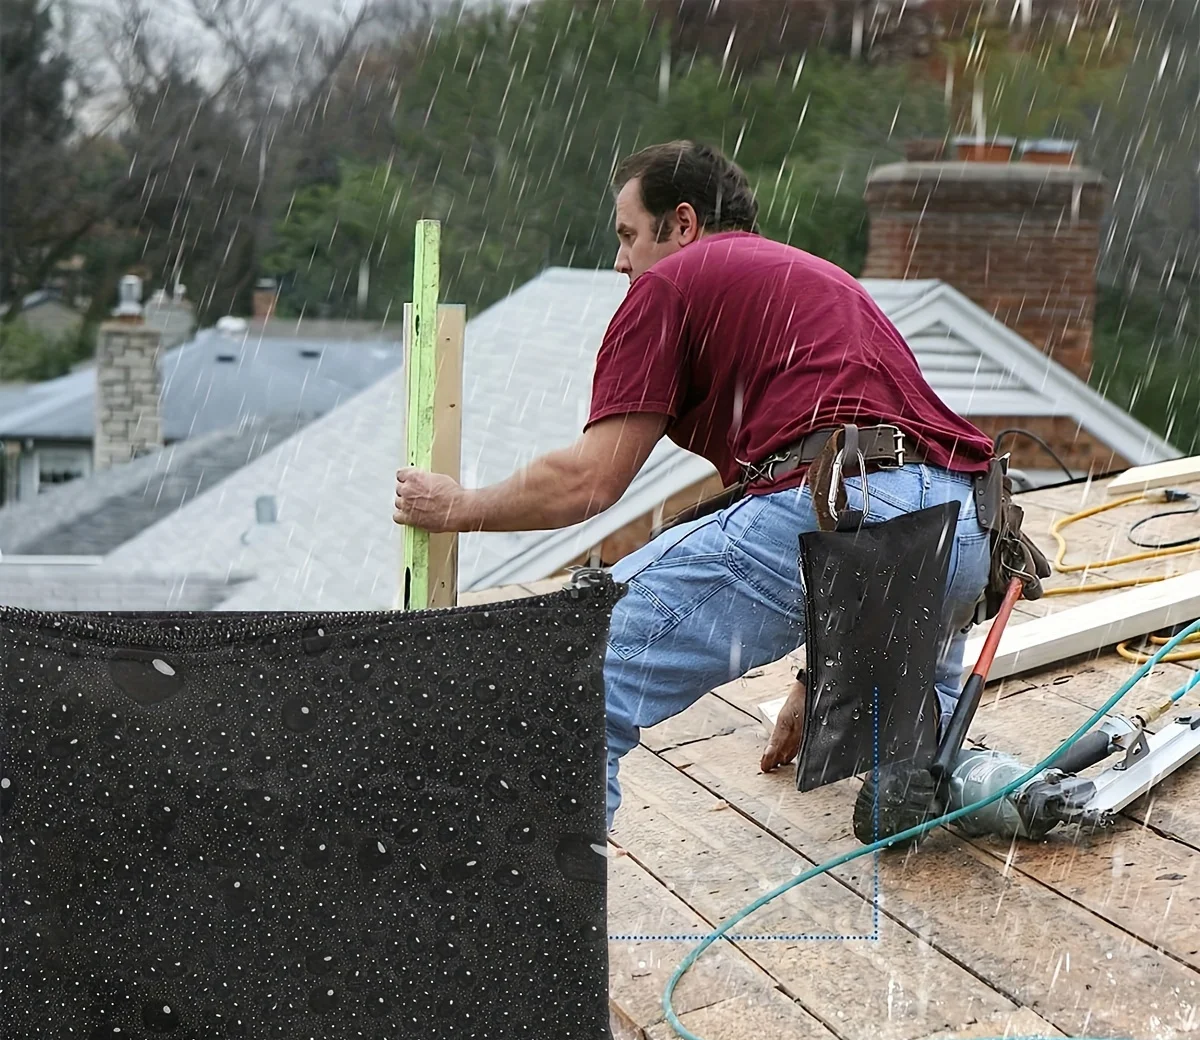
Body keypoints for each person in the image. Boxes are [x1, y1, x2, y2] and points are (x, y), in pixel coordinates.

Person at [393, 140, 997, 834]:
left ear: (681, 225)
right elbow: (892, 480)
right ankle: (963, 782)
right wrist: (821, 673)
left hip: (847, 516)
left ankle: (538, 928)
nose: (621, 261)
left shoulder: (674, 282)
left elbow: (590, 482)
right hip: (960, 535)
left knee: (574, 681)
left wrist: (459, 507)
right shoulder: (819, 279)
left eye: (627, 235)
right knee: (913, 784)